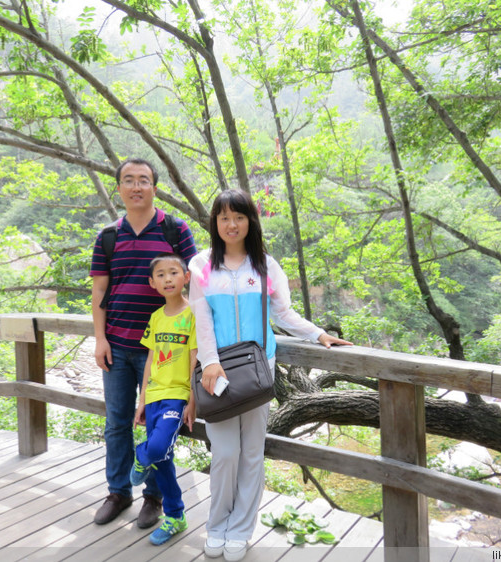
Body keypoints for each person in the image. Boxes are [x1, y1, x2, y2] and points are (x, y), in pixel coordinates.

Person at [188, 189, 351, 561]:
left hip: (258, 371)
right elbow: (201, 319)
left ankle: (240, 530)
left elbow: (283, 314)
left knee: (251, 454)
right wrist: (209, 361)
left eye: (240, 217)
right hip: (218, 372)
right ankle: (217, 526)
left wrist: (318, 335)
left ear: (250, 222)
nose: (232, 224)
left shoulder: (264, 264)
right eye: (224, 217)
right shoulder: (200, 266)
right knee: (225, 453)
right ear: (215, 222)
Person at [90, 158, 197, 529]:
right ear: (119, 188)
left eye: (144, 180)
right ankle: (118, 492)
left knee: (156, 427)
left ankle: (155, 496)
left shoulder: (174, 229)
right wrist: (100, 338)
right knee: (117, 422)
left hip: (166, 350)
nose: (137, 187)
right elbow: (100, 288)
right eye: (129, 181)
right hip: (117, 346)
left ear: (155, 187)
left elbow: (196, 281)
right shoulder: (108, 235)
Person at [131, 253, 197, 546]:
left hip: (177, 396)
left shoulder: (194, 314)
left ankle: (140, 454)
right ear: (152, 283)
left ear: (187, 277)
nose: (168, 278)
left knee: (155, 449)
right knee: (164, 462)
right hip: (154, 395)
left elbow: (197, 361)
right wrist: (142, 399)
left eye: (174, 272)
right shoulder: (156, 317)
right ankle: (175, 516)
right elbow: (150, 360)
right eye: (161, 274)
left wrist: (193, 401)